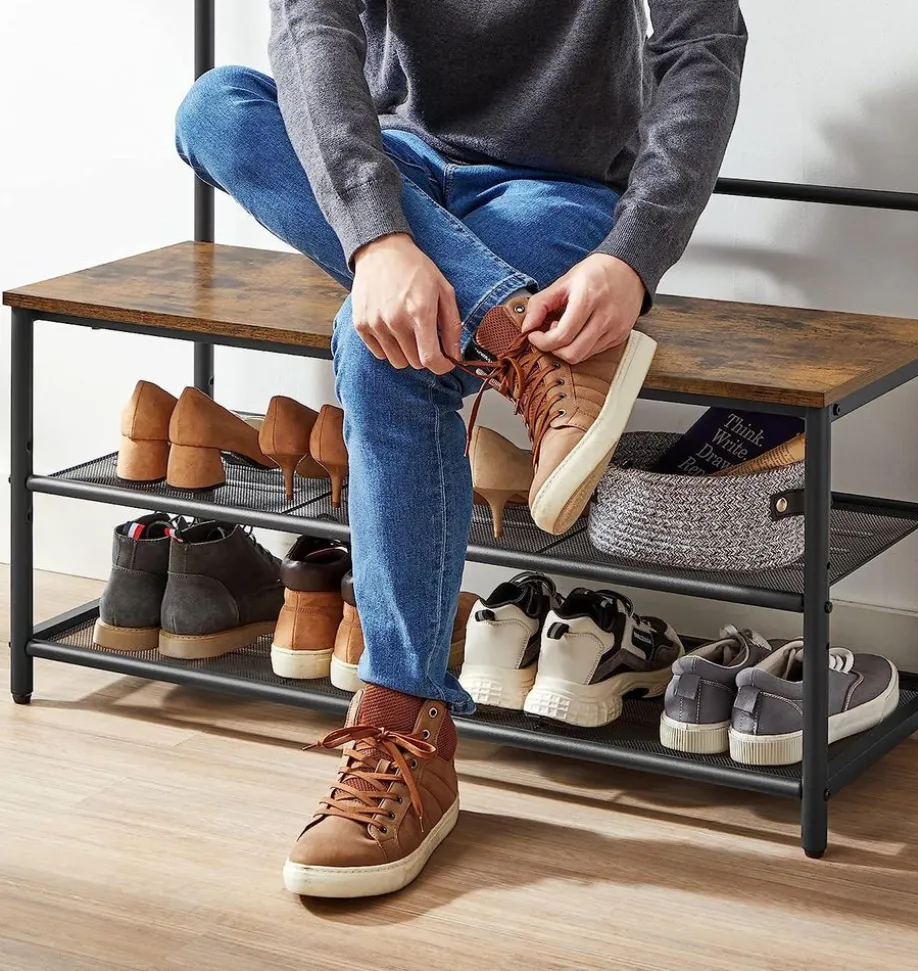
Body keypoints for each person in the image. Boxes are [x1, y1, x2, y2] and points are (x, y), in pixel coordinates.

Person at [175, 0, 747, 899]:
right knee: (215, 107)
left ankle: (404, 730)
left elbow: (702, 44)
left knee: (383, 353)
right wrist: (379, 240)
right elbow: (311, 26)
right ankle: (518, 343)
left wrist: (634, 257)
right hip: (392, 165)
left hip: (555, 189)